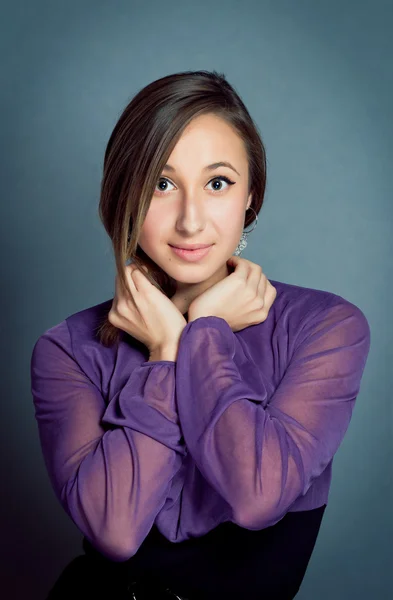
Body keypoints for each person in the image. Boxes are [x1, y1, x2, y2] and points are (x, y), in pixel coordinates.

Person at [30, 70, 371, 600]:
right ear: (127, 193)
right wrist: (167, 353)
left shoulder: (325, 328)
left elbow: (257, 497)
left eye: (218, 183)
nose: (191, 221)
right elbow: (115, 532)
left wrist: (203, 333)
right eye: (161, 184)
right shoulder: (67, 351)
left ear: (250, 194)